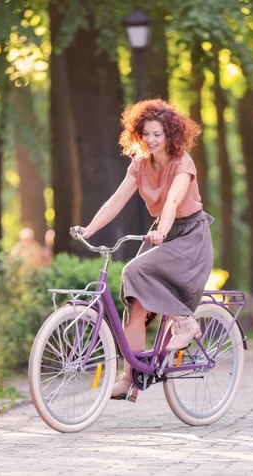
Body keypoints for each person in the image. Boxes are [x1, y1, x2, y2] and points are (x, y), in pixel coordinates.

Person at [70, 99, 214, 402]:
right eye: (146, 133)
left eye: (157, 134)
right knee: (134, 305)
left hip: (189, 237)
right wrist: (90, 229)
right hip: (162, 232)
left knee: (133, 270)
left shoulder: (182, 163)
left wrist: (162, 229)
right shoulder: (139, 164)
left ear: (170, 135)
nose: (150, 140)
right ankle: (131, 379)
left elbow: (174, 201)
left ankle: (185, 321)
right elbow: (117, 199)